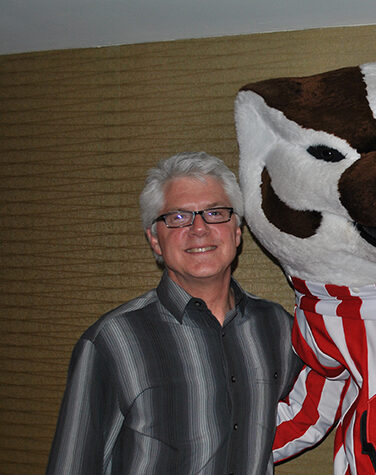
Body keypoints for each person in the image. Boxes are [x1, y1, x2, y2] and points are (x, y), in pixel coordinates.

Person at [46, 152, 307, 474]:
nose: (199, 228)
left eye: (215, 213)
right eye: (178, 217)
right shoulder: (112, 341)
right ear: (155, 239)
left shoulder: (277, 328)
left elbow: (333, 384)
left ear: (237, 232)